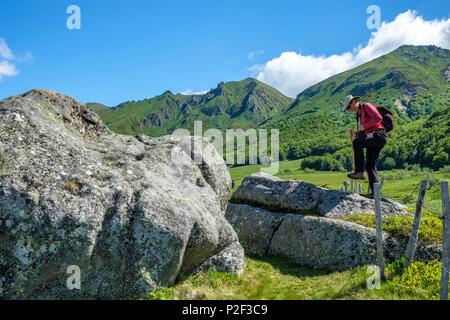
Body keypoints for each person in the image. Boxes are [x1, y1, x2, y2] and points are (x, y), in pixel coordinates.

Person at [343, 95, 388, 195]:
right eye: (347, 109)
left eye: (348, 107)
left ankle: (359, 172)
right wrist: (356, 133)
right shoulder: (359, 114)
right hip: (373, 136)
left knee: (357, 142)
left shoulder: (367, 106)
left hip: (379, 135)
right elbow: (365, 131)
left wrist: (364, 127)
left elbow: (378, 117)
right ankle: (375, 193)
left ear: (354, 101)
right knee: (370, 166)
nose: (349, 110)